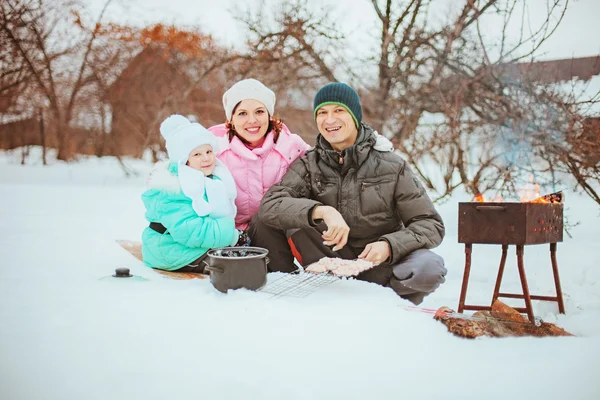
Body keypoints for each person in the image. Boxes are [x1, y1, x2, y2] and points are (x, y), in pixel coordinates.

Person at [252, 82, 447, 304]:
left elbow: (430, 224)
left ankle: (383, 303)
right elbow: (270, 205)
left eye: (338, 110)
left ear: (355, 116)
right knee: (265, 220)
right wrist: (322, 211)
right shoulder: (309, 163)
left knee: (429, 269)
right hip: (329, 258)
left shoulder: (392, 165)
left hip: (380, 263)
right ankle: (292, 290)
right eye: (322, 112)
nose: (329, 120)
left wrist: (389, 245)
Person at [208, 78, 310, 232]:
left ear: (269, 115)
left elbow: (321, 174)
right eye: (242, 113)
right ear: (231, 120)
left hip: (278, 234)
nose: (252, 120)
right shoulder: (215, 151)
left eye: (259, 112)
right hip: (228, 235)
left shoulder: (291, 147)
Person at [141, 114, 240, 272]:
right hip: (169, 250)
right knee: (232, 266)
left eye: (208, 151)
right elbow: (190, 230)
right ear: (183, 160)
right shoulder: (171, 189)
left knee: (241, 256)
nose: (206, 158)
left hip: (190, 245)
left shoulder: (207, 179)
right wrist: (232, 235)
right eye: (197, 154)